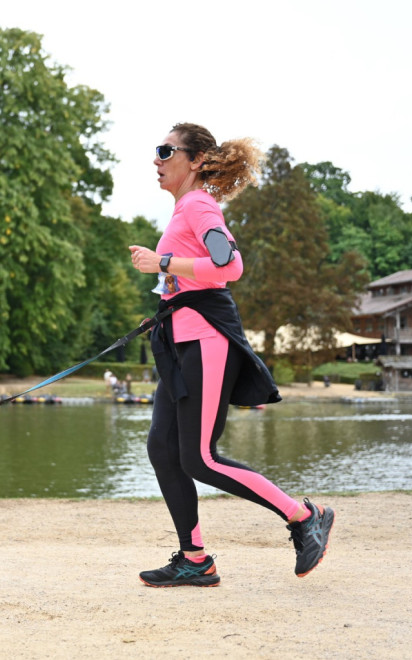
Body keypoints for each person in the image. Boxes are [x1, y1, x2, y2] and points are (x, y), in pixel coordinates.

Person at [127, 122, 334, 587]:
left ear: (196, 160)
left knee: (199, 458)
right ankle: (194, 558)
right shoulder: (186, 209)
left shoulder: (199, 204)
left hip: (206, 341)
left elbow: (229, 265)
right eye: (156, 152)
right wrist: (165, 304)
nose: (157, 160)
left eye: (166, 151)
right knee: (163, 449)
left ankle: (304, 516)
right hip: (180, 341)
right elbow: (197, 276)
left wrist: (161, 263)